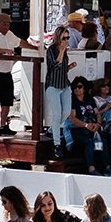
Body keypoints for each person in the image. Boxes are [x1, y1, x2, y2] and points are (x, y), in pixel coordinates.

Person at [41, 24, 76, 157]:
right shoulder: (51, 50)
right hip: (53, 86)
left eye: (68, 38)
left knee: (66, 112)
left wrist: (69, 67)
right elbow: (55, 66)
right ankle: (57, 144)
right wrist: (61, 51)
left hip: (64, 85)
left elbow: (62, 68)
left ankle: (51, 129)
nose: (66, 41)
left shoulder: (65, 51)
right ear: (58, 38)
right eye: (64, 38)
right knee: (57, 114)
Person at [66, 80, 107, 174]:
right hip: (78, 129)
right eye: (75, 87)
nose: (77, 89)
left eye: (79, 87)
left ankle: (107, 167)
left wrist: (98, 124)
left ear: (84, 88)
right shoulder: (73, 101)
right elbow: (72, 118)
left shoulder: (90, 100)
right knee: (89, 141)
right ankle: (91, 168)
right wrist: (85, 125)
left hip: (92, 128)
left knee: (103, 140)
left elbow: (97, 113)